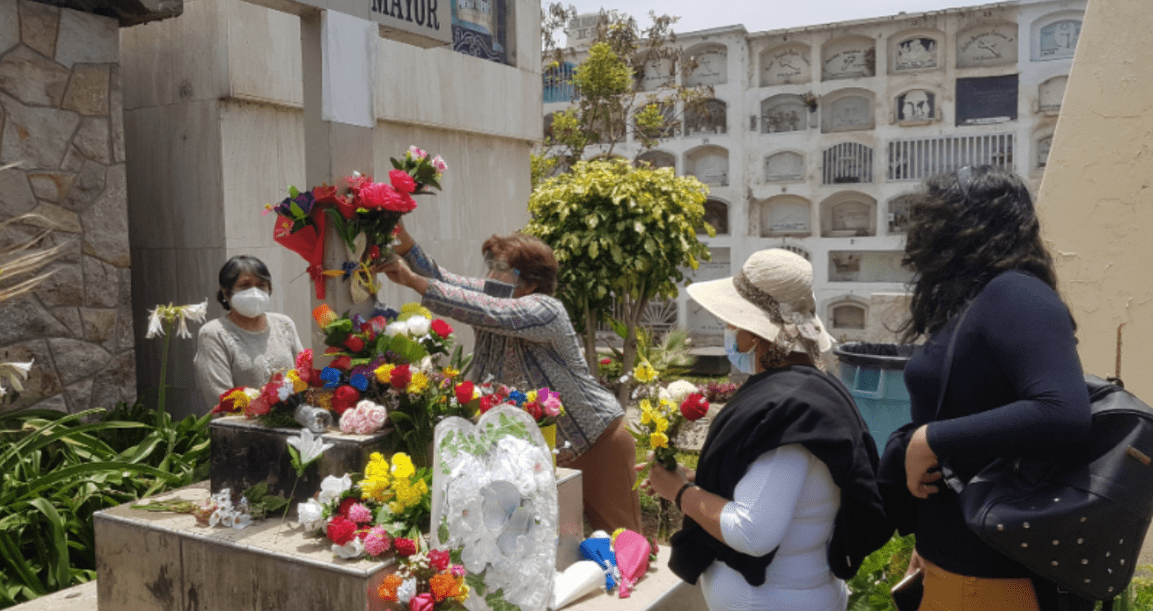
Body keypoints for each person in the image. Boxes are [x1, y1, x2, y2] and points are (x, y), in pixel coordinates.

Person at [879, 165, 1092, 611]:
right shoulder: (978, 304)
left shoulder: (1016, 293)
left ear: (966, 226)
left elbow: (1062, 409)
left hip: (990, 580)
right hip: (955, 566)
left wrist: (930, 438)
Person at [645, 248, 889, 611]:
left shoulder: (789, 412)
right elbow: (781, 488)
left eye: (733, 323)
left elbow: (753, 530)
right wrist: (695, 477)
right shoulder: (809, 390)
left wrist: (680, 491)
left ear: (755, 336)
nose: (729, 331)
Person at [377, 225, 643, 534]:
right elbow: (444, 280)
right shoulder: (495, 297)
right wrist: (403, 241)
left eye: (501, 268)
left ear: (530, 283)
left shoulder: (546, 309)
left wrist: (411, 280)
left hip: (596, 443)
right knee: (556, 547)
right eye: (489, 266)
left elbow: (490, 311)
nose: (490, 276)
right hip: (544, 454)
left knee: (622, 540)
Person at [195, 255, 304, 403]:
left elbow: (303, 375)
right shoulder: (214, 334)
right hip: (240, 423)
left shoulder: (284, 324)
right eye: (244, 285)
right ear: (226, 292)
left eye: (261, 285)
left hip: (291, 420)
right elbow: (221, 399)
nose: (255, 293)